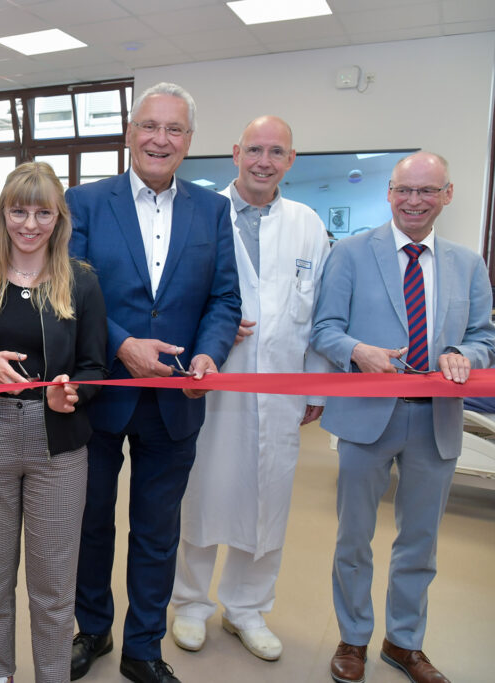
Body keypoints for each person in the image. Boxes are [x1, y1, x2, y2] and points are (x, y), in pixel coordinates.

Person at [66, 82, 242, 683]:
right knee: (91, 522)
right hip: (99, 396)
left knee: (157, 531)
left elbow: (224, 299)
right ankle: (92, 629)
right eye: (150, 126)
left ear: (189, 141)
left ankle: (144, 646)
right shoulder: (85, 203)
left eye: (174, 130)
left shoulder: (214, 210)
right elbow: (72, 292)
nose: (159, 139)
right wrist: (122, 345)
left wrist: (211, 356)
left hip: (177, 401)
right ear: (129, 133)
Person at [311, 151, 495, 683]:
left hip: (435, 422)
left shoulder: (468, 264)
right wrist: (357, 351)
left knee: (420, 541)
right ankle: (352, 638)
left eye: (427, 191)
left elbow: (484, 336)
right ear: (389, 193)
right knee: (354, 538)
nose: (415, 201)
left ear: (447, 195)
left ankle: (403, 642)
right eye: (404, 190)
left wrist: (467, 355)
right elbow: (324, 328)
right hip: (367, 418)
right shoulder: (349, 254)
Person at [171, 116, 331, 661]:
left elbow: (319, 311)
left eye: (277, 151)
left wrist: (316, 383)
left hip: (283, 383)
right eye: (255, 149)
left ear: (292, 159)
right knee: (203, 491)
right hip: (212, 376)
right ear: (236, 153)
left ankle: (247, 608)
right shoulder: (201, 212)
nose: (264, 160)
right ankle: (190, 604)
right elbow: (178, 294)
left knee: (269, 498)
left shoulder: (308, 224)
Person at [0, 162, 107, 683]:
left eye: (43, 212)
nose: (30, 224)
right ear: (3, 215)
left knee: (53, 583)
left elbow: (93, 367)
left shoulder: (80, 282)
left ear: (59, 217)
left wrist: (72, 395)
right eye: (19, 210)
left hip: (57, 446)